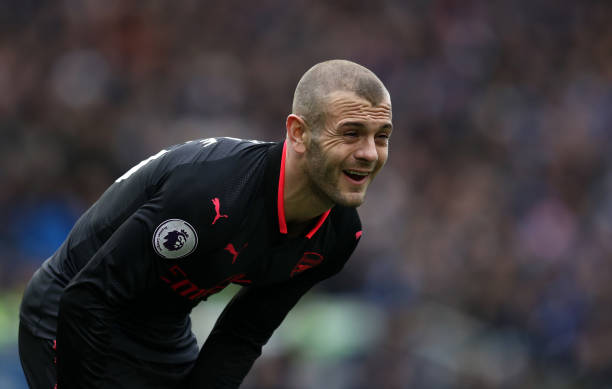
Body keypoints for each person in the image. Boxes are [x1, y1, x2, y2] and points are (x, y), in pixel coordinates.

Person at [18, 59, 393, 388]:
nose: (369, 153)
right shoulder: (212, 193)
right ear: (298, 133)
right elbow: (88, 297)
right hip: (70, 311)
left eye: (382, 137)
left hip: (161, 331)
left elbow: (243, 333)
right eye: (350, 133)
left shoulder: (340, 234)